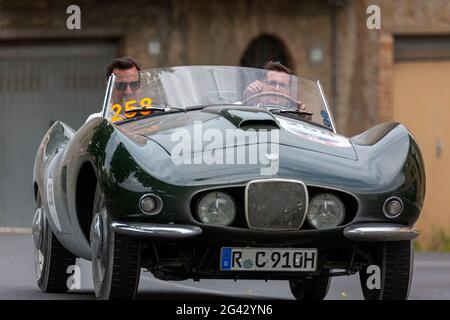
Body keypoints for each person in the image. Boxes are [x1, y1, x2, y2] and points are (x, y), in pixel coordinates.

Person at [244, 61, 312, 119]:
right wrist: (248, 104)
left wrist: (304, 119)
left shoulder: (294, 118)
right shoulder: (246, 107)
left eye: (283, 85)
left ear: (289, 92)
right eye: (272, 83)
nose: (277, 89)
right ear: (261, 85)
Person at [86, 56, 142, 122]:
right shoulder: (97, 121)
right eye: (121, 85)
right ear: (109, 86)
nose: (128, 91)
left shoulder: (153, 116)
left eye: (134, 84)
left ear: (140, 85)